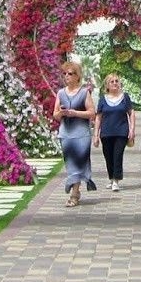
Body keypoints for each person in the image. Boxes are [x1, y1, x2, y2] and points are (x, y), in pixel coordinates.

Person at [54, 61, 95, 207]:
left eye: (70, 74)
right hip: (66, 133)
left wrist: (74, 113)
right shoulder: (60, 93)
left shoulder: (84, 92)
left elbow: (92, 113)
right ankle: (75, 191)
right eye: (64, 74)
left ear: (77, 76)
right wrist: (61, 113)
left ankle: (74, 193)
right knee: (70, 163)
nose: (67, 76)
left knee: (79, 162)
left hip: (81, 134)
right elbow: (55, 115)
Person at [94, 74, 136, 192]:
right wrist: (96, 135)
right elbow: (98, 117)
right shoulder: (103, 99)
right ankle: (111, 178)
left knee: (117, 155)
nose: (114, 83)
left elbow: (131, 113)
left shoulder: (125, 97)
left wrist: (132, 129)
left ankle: (116, 180)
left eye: (116, 81)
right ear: (107, 85)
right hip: (106, 133)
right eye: (111, 81)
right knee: (108, 156)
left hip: (121, 132)